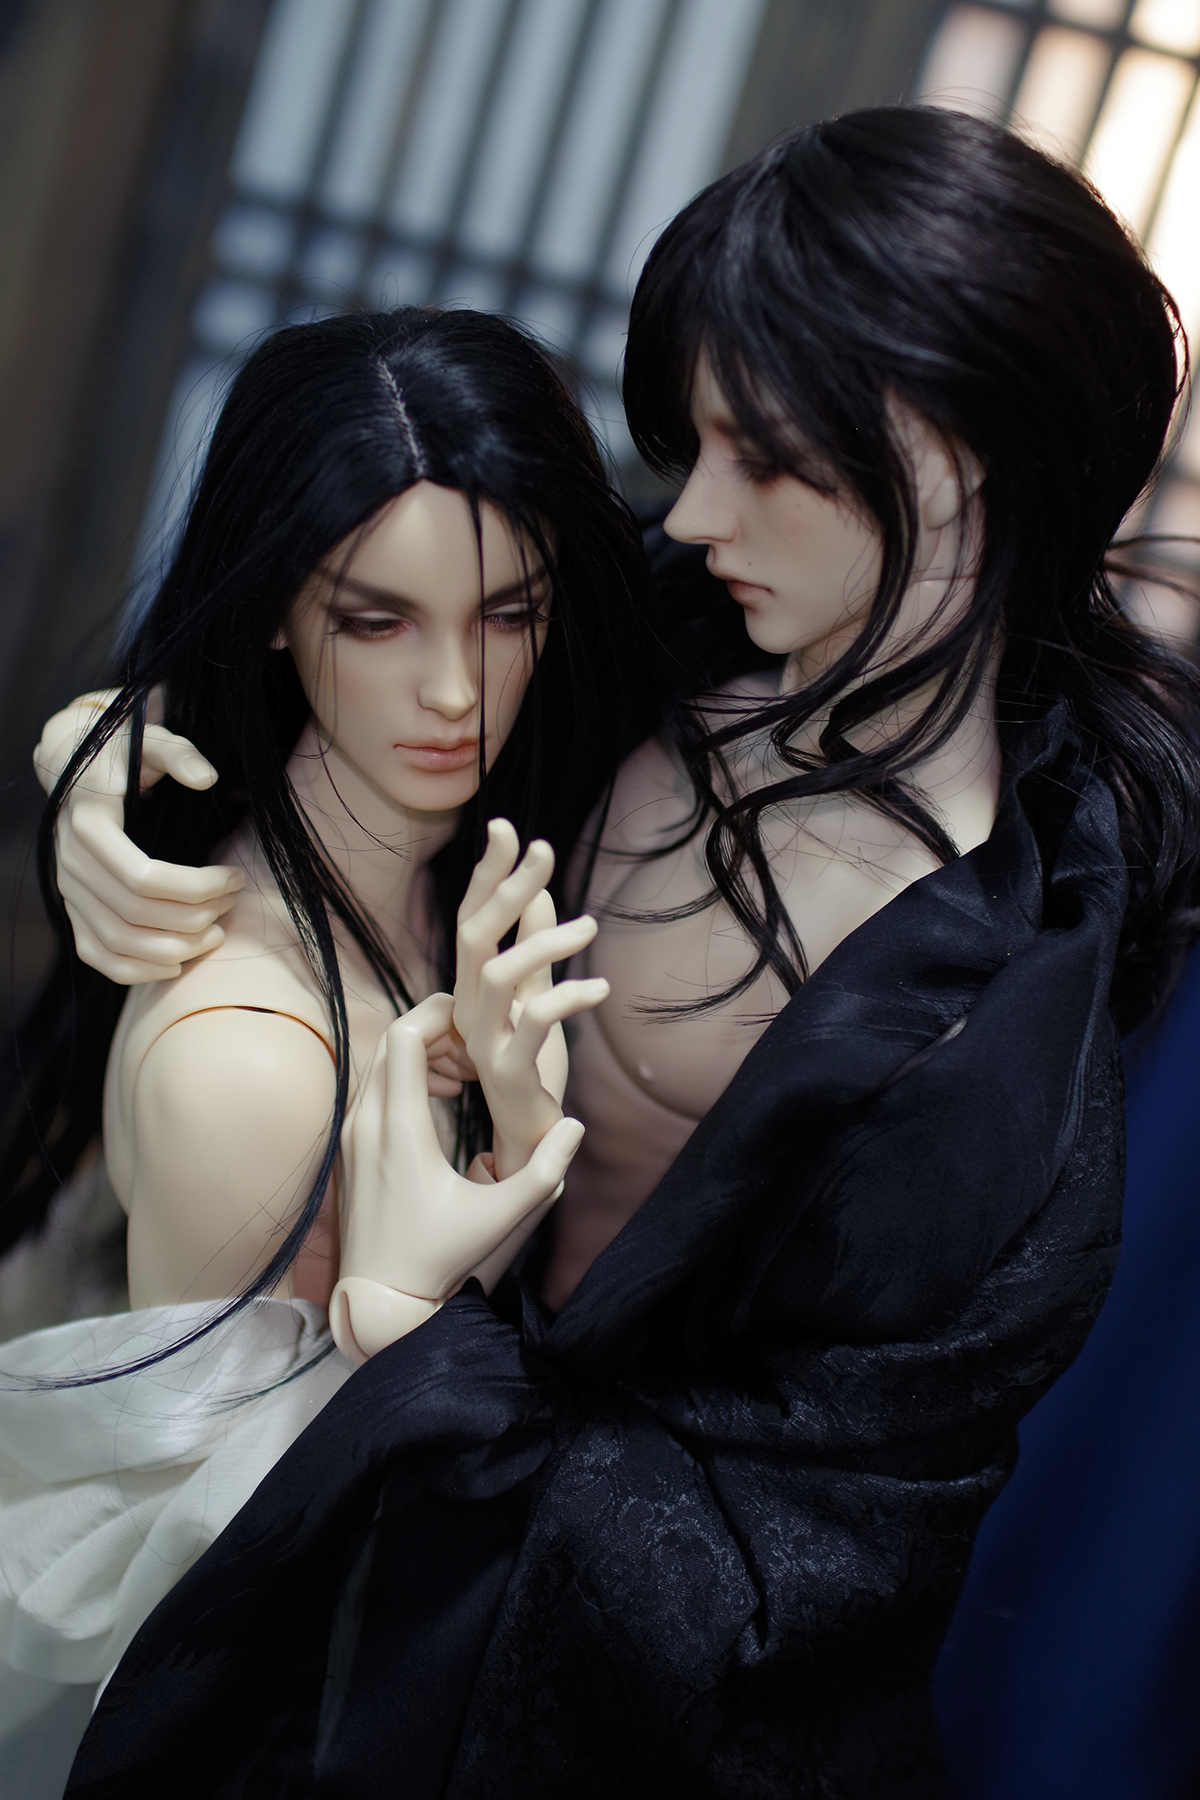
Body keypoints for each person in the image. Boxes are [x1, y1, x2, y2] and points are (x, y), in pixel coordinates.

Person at [40, 110, 1200, 1796]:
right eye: (694, 442)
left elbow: (800, 1550)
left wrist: (417, 1339)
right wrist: (131, 771)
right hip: (277, 1496)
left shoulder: (1006, 1010)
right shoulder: (651, 629)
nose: (697, 506)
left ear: (958, 461)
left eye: (766, 459)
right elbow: (351, 633)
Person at [0, 306, 663, 1795]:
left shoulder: (457, 876)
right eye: (378, 621)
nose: (456, 693)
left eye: (510, 614)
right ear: (274, 611)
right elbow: (206, 1592)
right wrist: (411, 1310)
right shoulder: (250, 1061)